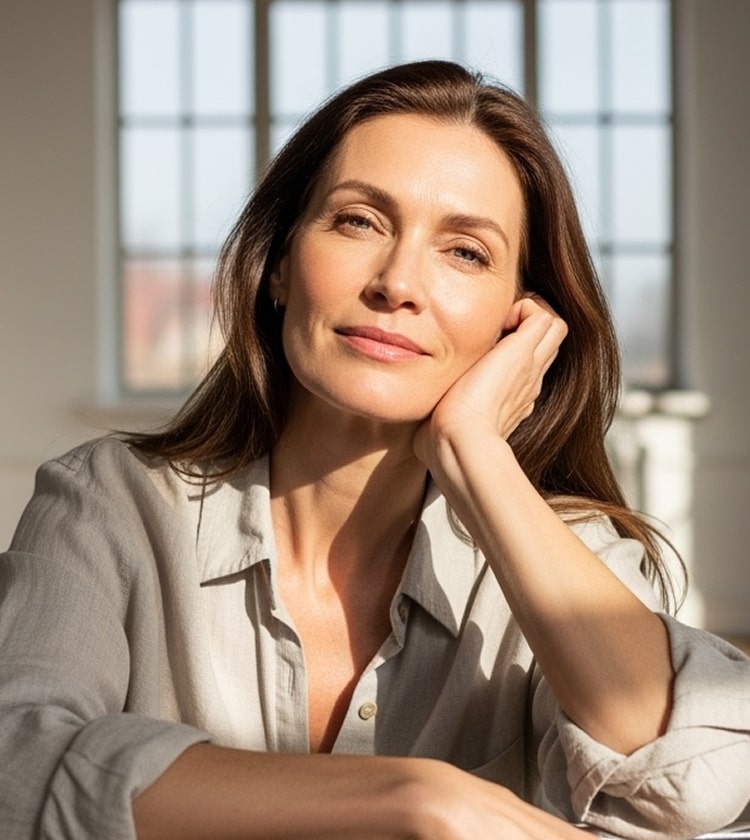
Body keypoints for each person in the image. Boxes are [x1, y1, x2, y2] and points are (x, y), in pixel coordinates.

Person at [0, 60, 748, 840]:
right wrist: (412, 797)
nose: (397, 283)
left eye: (465, 252)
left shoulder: (557, 550)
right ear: (279, 265)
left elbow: (696, 783)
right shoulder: (112, 501)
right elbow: (13, 766)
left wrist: (475, 453)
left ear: (518, 322)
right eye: (359, 221)